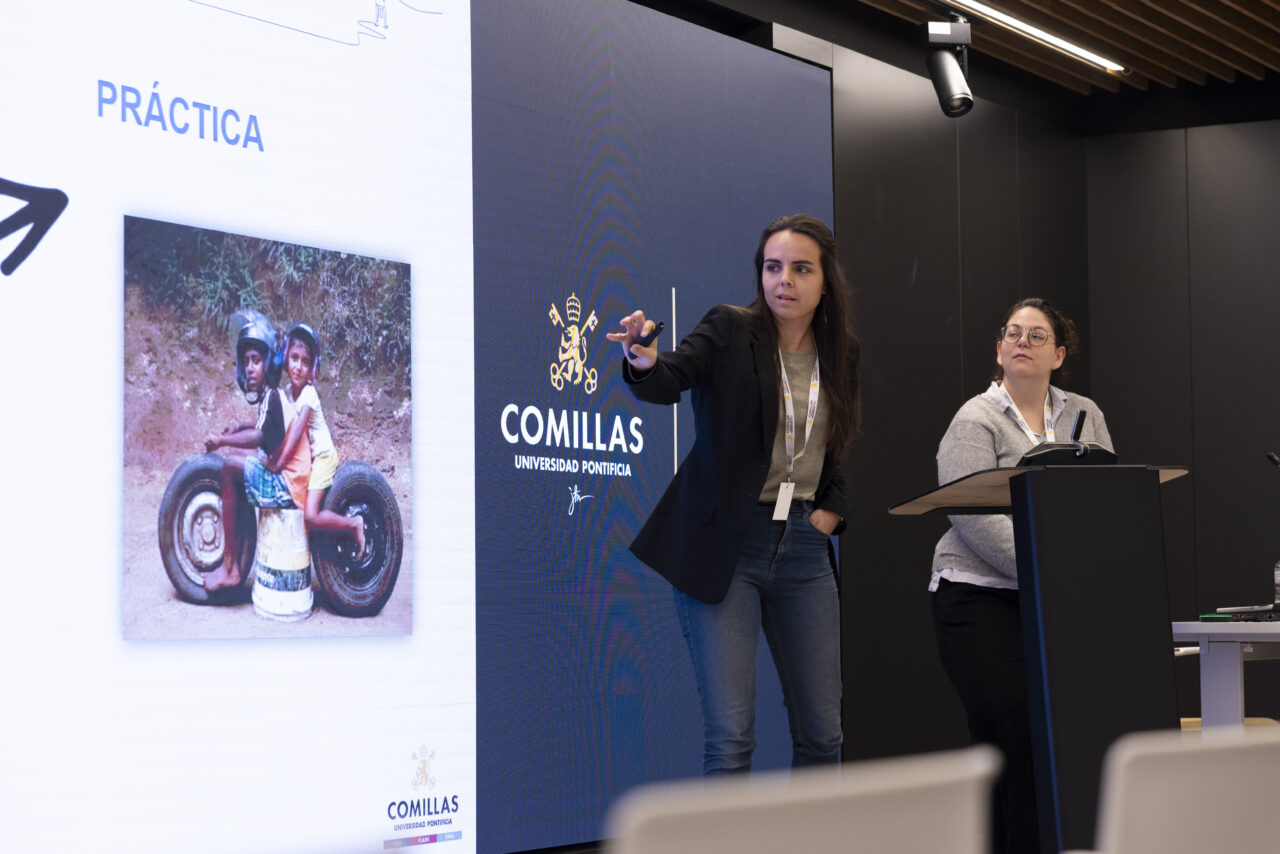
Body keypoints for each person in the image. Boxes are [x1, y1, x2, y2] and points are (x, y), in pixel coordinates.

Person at [607, 213, 861, 775]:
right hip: (728, 544)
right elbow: (671, 373)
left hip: (803, 549)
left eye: (800, 269)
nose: (784, 281)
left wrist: (830, 512)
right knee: (731, 738)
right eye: (773, 268)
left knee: (824, 735)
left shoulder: (841, 354)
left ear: (825, 280)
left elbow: (836, 442)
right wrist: (642, 359)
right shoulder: (729, 329)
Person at [929, 297, 1113, 854]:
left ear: (1059, 354)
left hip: (1055, 598)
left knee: (1060, 736)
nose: (1021, 343)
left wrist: (1070, 573)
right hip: (978, 598)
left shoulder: (1085, 414)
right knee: (1010, 727)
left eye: (1036, 336)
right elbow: (972, 516)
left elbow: (1105, 500)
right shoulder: (975, 419)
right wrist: (1051, 566)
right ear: (999, 350)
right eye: (1012, 333)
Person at [202, 313, 312, 592]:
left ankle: (231, 567)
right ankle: (234, 564)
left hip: (286, 486)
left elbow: (259, 435)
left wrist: (223, 439)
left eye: (257, 360)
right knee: (237, 470)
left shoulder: (273, 394)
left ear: (269, 362)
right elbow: (262, 424)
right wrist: (240, 425)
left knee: (229, 467)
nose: (250, 368)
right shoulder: (270, 396)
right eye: (247, 361)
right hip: (287, 481)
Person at [279, 323, 365, 554]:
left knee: (310, 515)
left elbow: (295, 436)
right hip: (311, 459)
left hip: (324, 457)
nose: (298, 367)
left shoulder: (308, 394)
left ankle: (353, 525)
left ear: (312, 369)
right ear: (286, 358)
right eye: (294, 358)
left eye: (305, 362)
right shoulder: (287, 392)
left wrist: (277, 464)